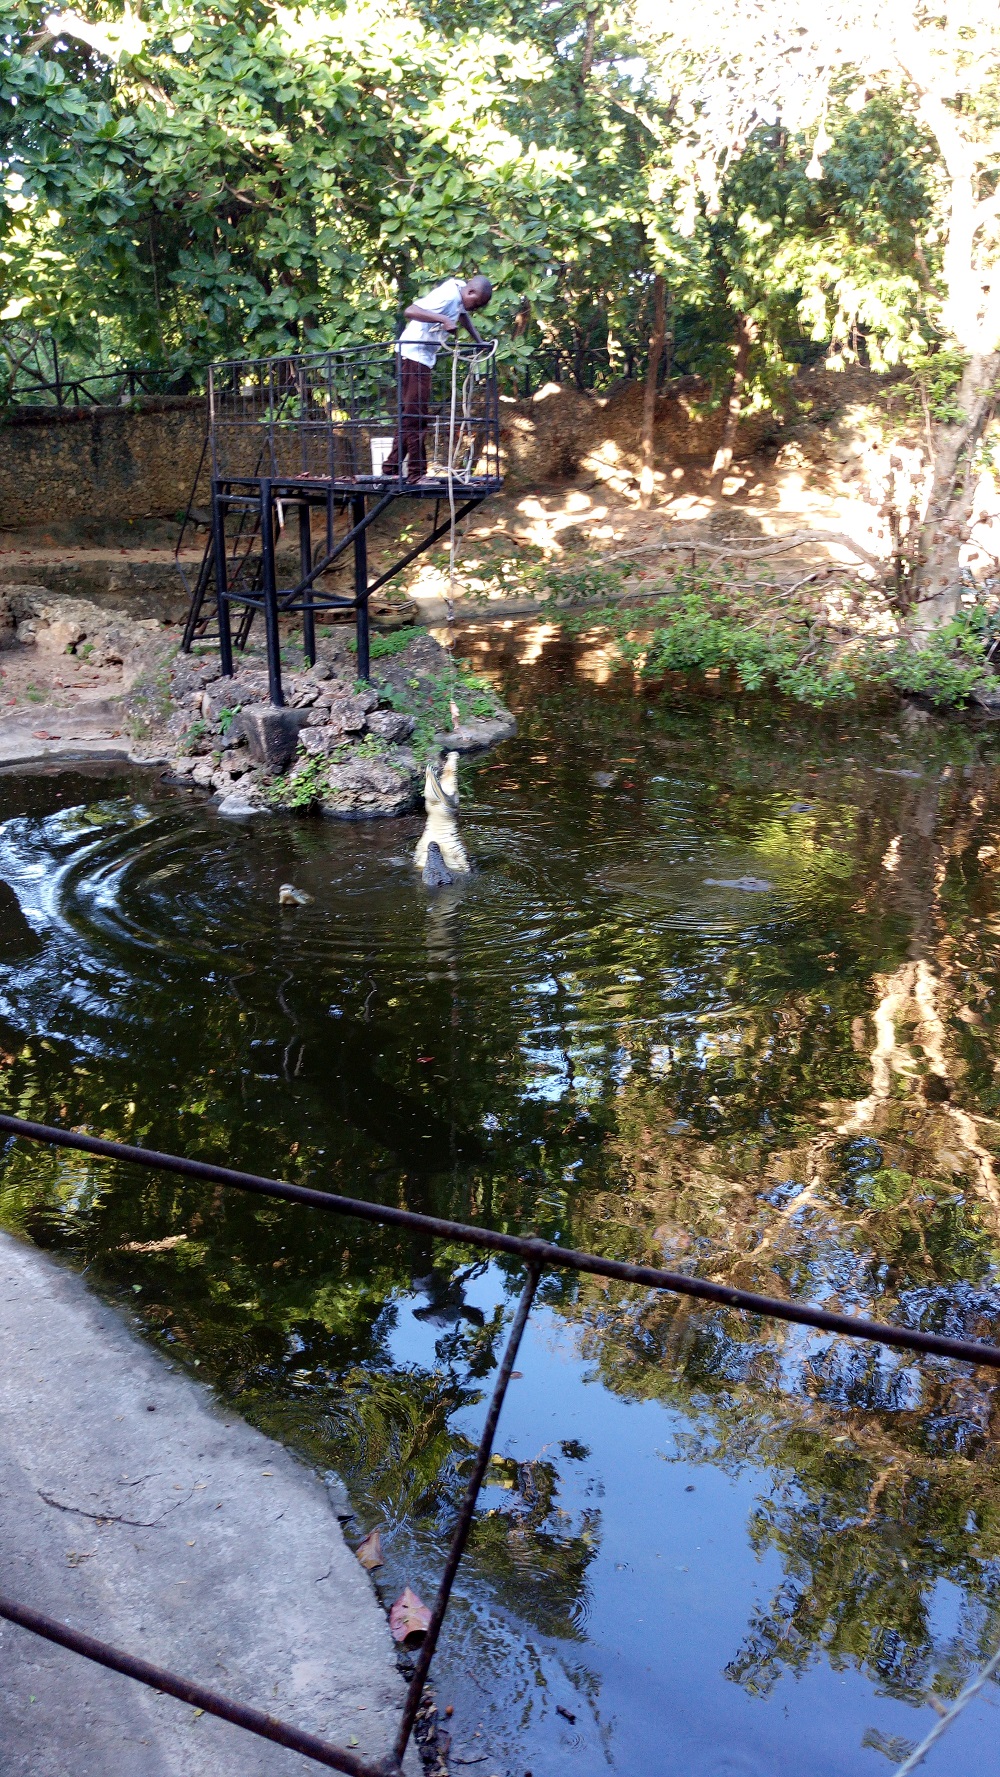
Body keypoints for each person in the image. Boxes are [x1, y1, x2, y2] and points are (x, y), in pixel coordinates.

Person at [382, 274, 492, 485]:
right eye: (475, 304)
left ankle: (391, 467)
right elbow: (410, 311)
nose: (474, 309)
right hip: (413, 355)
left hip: (421, 358)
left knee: (411, 415)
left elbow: (462, 315)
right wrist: (443, 319)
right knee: (417, 417)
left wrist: (479, 341)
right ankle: (415, 474)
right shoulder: (447, 296)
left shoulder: (460, 292)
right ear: (470, 292)